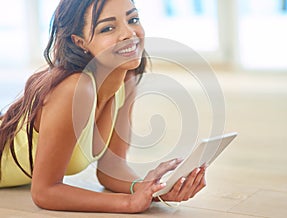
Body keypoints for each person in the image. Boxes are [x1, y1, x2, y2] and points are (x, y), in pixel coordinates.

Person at [0, 0, 206, 213]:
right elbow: (44, 192)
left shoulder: (127, 80)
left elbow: (111, 169)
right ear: (80, 42)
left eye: (132, 19)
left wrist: (151, 188)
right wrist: (128, 203)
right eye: (108, 28)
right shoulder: (75, 89)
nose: (129, 34)